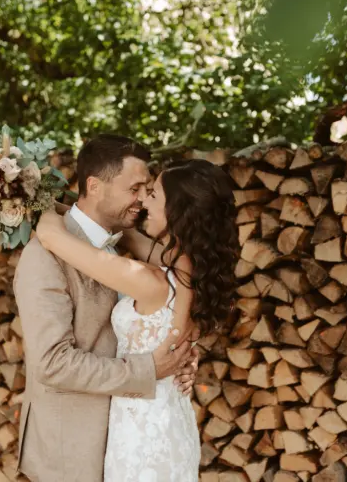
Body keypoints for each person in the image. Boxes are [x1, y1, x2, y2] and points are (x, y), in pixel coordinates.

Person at [35, 155, 240, 481]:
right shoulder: (193, 270)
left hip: (143, 437)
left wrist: (35, 199)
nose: (143, 199)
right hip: (171, 425)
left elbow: (51, 237)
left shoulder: (150, 281)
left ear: (177, 213)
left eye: (154, 195)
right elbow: (130, 238)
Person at [14, 135, 202, 482]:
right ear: (95, 186)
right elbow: (52, 364)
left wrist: (179, 350)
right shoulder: (44, 256)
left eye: (148, 189)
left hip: (127, 441)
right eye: (135, 188)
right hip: (71, 449)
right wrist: (150, 370)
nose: (143, 199)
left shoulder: (119, 247)